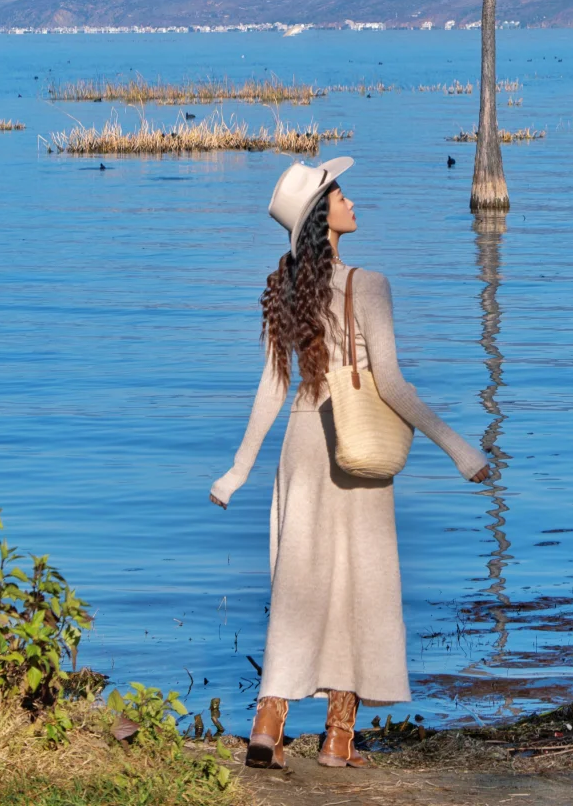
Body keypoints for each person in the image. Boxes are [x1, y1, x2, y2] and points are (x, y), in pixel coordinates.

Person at [210, 157, 490, 770]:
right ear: (322, 218)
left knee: (297, 588)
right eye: (339, 195)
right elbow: (389, 383)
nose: (352, 202)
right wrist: (457, 447)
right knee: (361, 589)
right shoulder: (371, 283)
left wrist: (239, 468)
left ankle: (268, 722)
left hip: (303, 451)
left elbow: (272, 387)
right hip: (356, 451)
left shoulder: (283, 287)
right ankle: (338, 738)